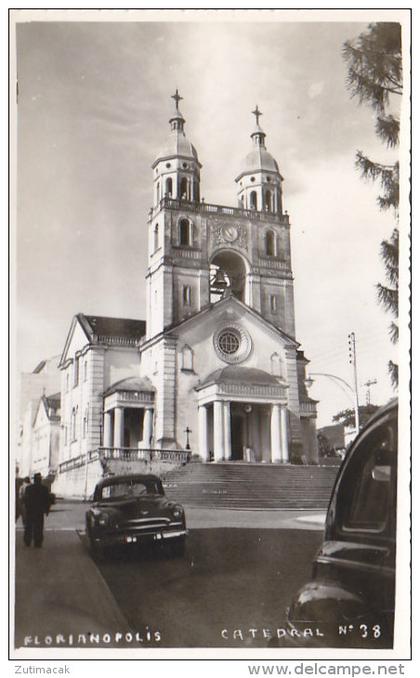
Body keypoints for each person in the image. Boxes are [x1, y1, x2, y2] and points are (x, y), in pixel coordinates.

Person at [23, 473, 50, 548]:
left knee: (29, 526)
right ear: (40, 480)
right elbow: (47, 500)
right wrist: (47, 510)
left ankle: (27, 541)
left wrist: (26, 508)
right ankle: (38, 542)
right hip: (39, 511)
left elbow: (25, 499)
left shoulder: (29, 488)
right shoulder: (44, 488)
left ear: (34, 480)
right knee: (39, 527)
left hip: (30, 510)